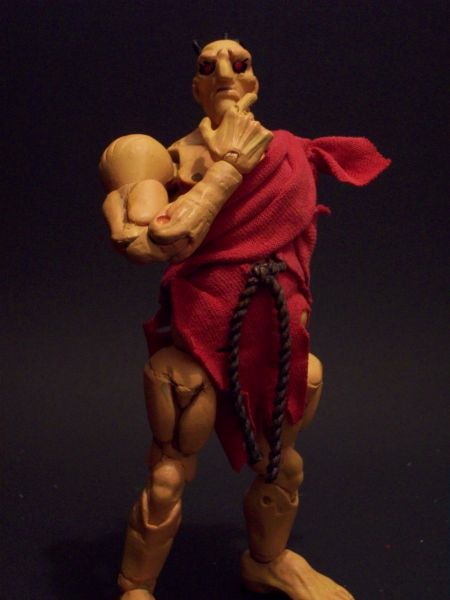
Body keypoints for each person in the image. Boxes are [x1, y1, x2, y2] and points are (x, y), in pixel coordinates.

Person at [101, 39, 390, 600]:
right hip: (197, 332)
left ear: (253, 81)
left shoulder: (289, 152)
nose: (226, 72)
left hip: (272, 333)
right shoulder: (167, 158)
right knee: (168, 473)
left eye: (239, 63)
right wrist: (227, 170)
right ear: (197, 87)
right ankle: (136, 586)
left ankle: (268, 560)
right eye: (208, 66)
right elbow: (155, 241)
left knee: (282, 462)